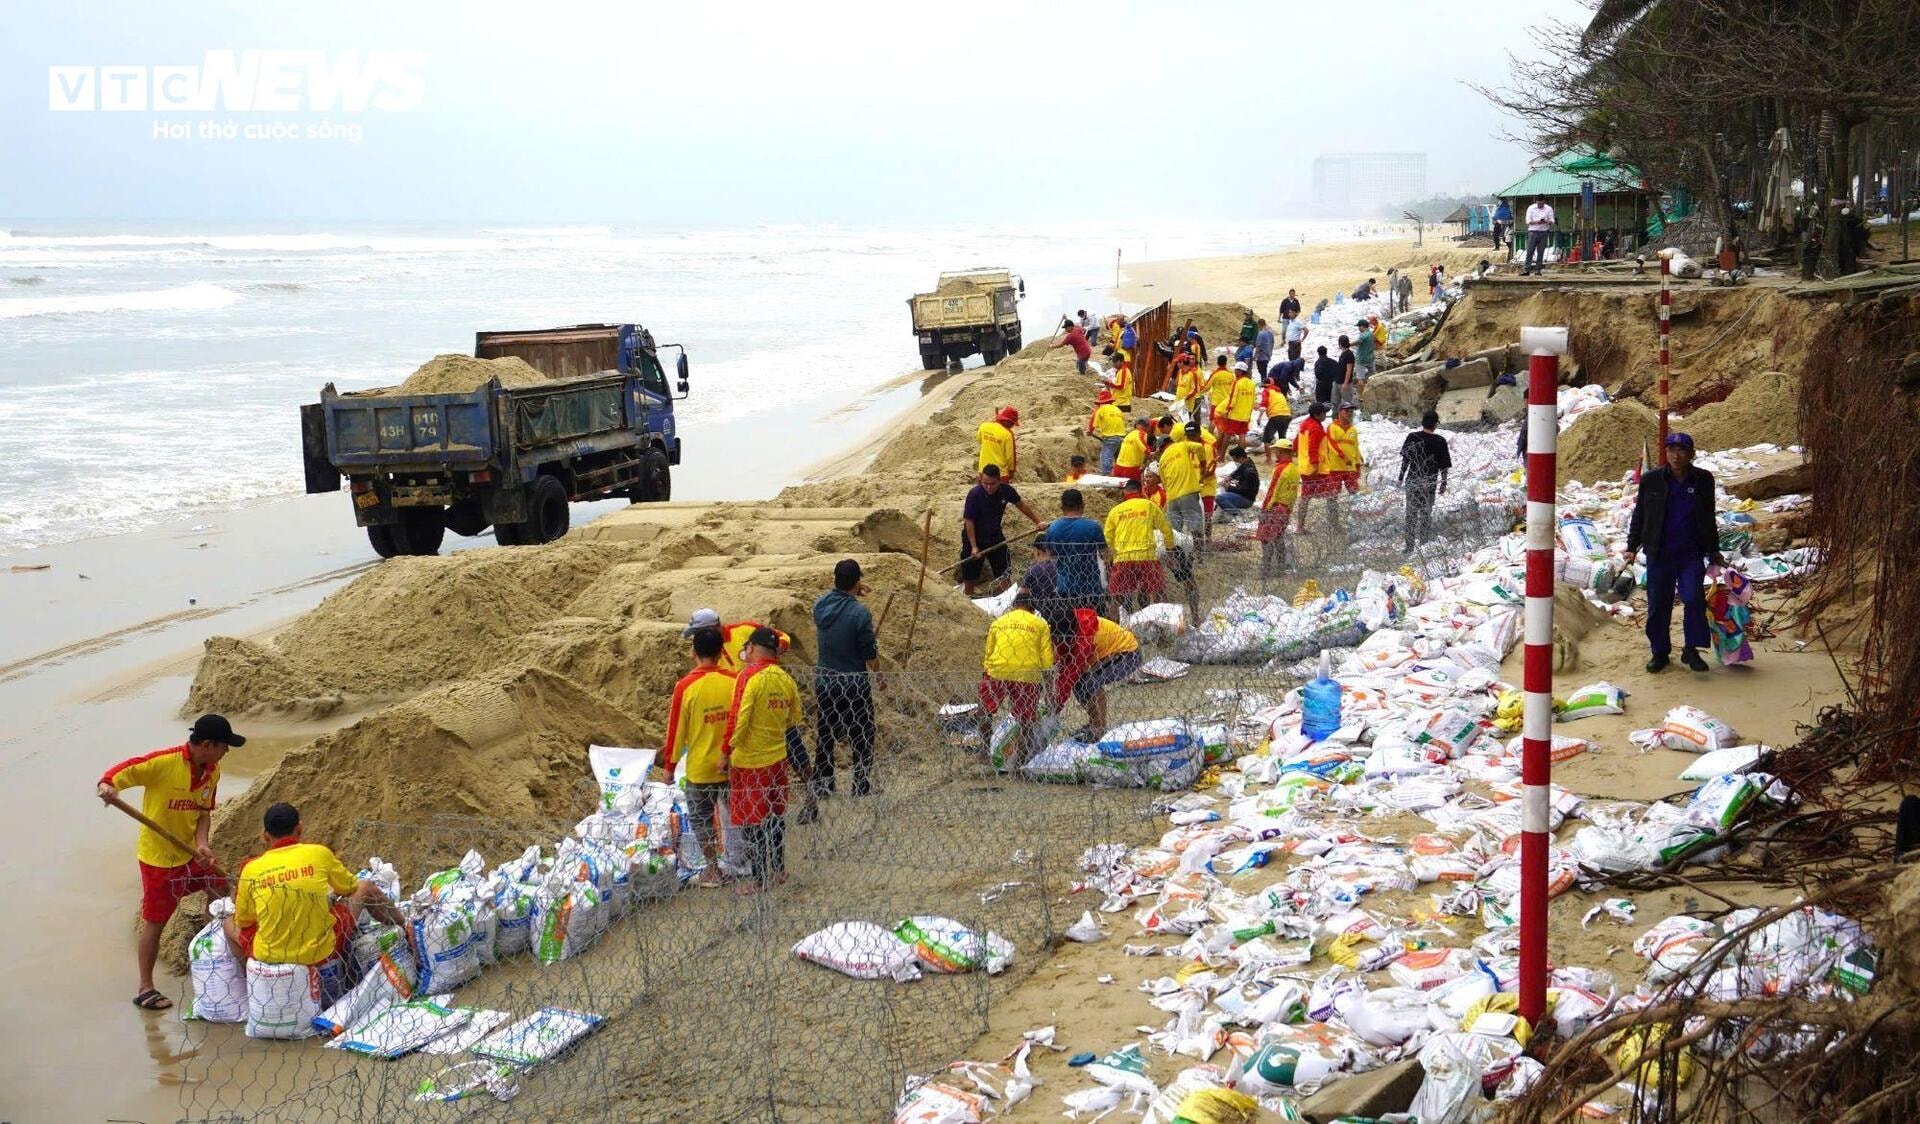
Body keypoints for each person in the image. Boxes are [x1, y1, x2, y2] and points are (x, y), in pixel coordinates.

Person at [97, 714, 240, 1011]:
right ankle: (145, 988)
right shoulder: (164, 763)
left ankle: (215, 952)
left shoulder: (212, 770)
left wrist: (202, 843)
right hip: (159, 861)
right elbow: (120, 773)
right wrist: (108, 786)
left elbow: (203, 812)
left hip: (191, 854)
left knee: (219, 891)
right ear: (207, 744)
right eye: (224, 746)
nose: (226, 751)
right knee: (155, 922)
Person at [224, 802, 401, 980]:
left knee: (227, 923)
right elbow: (349, 887)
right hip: (321, 953)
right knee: (364, 886)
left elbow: (244, 920)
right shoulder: (319, 853)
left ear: (265, 836)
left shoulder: (251, 869)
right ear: (299, 828)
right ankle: (404, 926)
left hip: (271, 958)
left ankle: (254, 980)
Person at [1625, 433, 1725, 673]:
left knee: (1693, 599)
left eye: (1681, 450)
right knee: (1659, 605)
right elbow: (1640, 514)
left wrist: (1714, 550)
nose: (1676, 455)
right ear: (1665, 453)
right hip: (1659, 553)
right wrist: (1631, 546)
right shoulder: (1652, 480)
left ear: (1691, 453)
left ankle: (1691, 650)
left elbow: (1708, 517)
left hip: (1690, 553)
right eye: (1671, 450)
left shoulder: (1702, 479)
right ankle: (1659, 652)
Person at [722, 627, 806, 893]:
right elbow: (795, 718)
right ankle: (779, 870)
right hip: (778, 758)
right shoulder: (784, 678)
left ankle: (758, 880)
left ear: (754, 648)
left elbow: (738, 717)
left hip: (750, 761)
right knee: (775, 815)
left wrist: (726, 751)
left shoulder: (748, 677)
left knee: (753, 820)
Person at [663, 626, 739, 884]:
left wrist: (669, 768)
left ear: (694, 652)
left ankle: (713, 869)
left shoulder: (685, 686)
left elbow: (676, 731)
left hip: (700, 768)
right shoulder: (734, 681)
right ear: (721, 652)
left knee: (701, 819)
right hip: (732, 764)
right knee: (735, 814)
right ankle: (740, 863)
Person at [813, 559, 880, 799]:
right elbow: (869, 652)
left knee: (826, 735)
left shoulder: (820, 606)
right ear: (857, 580)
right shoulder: (860, 613)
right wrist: (880, 674)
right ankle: (860, 785)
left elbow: (838, 606)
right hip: (854, 685)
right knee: (862, 735)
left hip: (825, 682)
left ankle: (823, 785)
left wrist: (851, 593)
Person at [977, 589, 1054, 772]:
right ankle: (1020, 764)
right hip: (1027, 674)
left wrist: (988, 673)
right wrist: (1049, 686)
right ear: (1033, 609)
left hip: (998, 670)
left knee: (985, 710)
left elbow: (988, 654)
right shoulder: (1040, 624)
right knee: (1026, 719)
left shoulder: (998, 622)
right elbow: (1047, 660)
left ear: (1013, 606)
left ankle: (983, 750)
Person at [1052, 608, 1142, 740]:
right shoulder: (1060, 628)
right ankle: (1094, 722)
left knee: (1091, 682)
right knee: (1079, 684)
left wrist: (1057, 705)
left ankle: (1099, 727)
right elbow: (1064, 665)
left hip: (1127, 654)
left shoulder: (1085, 637)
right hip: (1104, 656)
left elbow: (1071, 672)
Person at [959, 465, 1043, 595]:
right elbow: (969, 521)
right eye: (985, 483)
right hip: (974, 537)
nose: (988, 487)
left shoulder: (1006, 491)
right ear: (981, 479)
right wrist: (974, 546)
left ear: (999, 480)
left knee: (1005, 572)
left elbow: (1022, 506)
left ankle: (998, 599)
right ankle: (968, 599)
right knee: (970, 575)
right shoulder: (974, 495)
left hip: (995, 537)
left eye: (992, 484)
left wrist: (1038, 521)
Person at [1103, 481, 1176, 613]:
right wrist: (1170, 551)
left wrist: (1109, 561)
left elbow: (1107, 539)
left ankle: (1113, 631)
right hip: (1147, 557)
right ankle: (1163, 629)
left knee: (1116, 598)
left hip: (1123, 558)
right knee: (1158, 594)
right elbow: (1167, 529)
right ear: (1140, 491)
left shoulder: (1115, 511)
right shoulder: (1149, 505)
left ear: (1124, 492)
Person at [1046, 489, 1109, 615]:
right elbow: (1105, 555)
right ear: (1082, 506)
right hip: (1091, 587)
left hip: (1065, 587)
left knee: (1071, 626)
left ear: (1062, 507)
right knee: (1094, 624)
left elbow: (1050, 554)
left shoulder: (1053, 528)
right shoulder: (1093, 526)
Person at [1398, 410, 1452, 552]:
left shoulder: (1412, 437)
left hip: (1413, 481)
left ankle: (1409, 546)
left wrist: (1400, 478)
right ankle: (1423, 544)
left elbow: (1406, 461)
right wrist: (1443, 483)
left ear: (1422, 423)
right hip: (1429, 483)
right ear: (1435, 424)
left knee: (1411, 513)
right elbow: (1444, 465)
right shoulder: (1440, 441)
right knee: (1425, 513)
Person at [682, 609, 790, 675]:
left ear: (712, 627)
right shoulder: (705, 650)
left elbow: (782, 637)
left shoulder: (745, 630)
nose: (697, 636)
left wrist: (770, 652)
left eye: (698, 632)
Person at [1258, 439, 1301, 588]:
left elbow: (1272, 491)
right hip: (1286, 507)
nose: (1275, 452)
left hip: (1275, 507)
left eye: (1277, 450)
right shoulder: (1295, 469)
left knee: (1266, 538)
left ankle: (1266, 569)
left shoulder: (1280, 469)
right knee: (1278, 537)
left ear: (1283, 452)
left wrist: (1265, 509)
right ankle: (1281, 567)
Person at [1159, 422, 1208, 545]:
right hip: (1187, 494)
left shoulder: (1162, 460)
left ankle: (1179, 557)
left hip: (1172, 499)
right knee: (1195, 527)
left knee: (1176, 532)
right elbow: (1199, 447)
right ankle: (1200, 556)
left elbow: (1164, 484)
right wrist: (1203, 465)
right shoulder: (1181, 445)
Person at [1293, 402, 1336, 532]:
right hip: (1316, 469)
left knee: (1305, 498)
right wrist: (1315, 466)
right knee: (1332, 494)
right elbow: (1313, 448)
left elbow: (1296, 444)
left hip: (1305, 468)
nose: (1325, 414)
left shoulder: (1304, 425)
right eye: (1324, 413)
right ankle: (1333, 524)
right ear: (1317, 415)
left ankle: (1300, 527)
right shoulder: (1315, 428)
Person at [1327, 401, 1364, 496]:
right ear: (1339, 412)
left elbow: (1355, 447)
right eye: (1346, 411)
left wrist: (1358, 465)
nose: (1349, 413)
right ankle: (1333, 511)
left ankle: (1354, 511)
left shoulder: (1353, 430)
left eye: (1351, 411)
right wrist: (1343, 456)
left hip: (1350, 467)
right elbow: (1331, 444)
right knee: (1333, 494)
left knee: (1354, 492)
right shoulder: (1332, 427)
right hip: (1335, 467)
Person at [1086, 389, 1127, 474]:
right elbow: (1122, 421)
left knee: (1105, 455)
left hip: (1110, 437)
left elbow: (1093, 421)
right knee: (1118, 456)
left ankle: (1106, 474)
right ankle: (1118, 472)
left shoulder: (1101, 410)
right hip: (1122, 436)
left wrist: (1090, 431)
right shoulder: (1117, 409)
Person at [977, 406, 1019, 480]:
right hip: (1000, 474)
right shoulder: (1007, 434)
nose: (1012, 426)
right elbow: (1010, 456)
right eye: (1012, 423)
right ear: (1007, 421)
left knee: (983, 491)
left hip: (983, 471)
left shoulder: (983, 426)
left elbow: (979, 441)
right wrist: (1011, 470)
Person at [1259, 374, 1293, 463]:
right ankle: (1286, 459)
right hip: (1287, 415)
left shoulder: (1266, 391)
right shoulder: (1278, 392)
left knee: (1267, 438)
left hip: (1276, 416)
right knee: (1282, 439)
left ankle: (1268, 460)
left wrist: (1259, 417)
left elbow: (1264, 404)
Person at [1218, 363, 1256, 442]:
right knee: (1242, 435)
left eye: (1236, 370)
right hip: (1245, 415)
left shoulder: (1237, 382)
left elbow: (1233, 398)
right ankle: (1242, 453)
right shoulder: (1252, 383)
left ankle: (1221, 454)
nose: (1235, 372)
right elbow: (1253, 400)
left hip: (1235, 414)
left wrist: (1227, 411)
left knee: (1227, 434)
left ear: (1240, 371)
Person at [1217, 445, 1260, 511]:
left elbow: (1244, 490)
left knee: (1220, 498)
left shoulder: (1249, 472)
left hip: (1246, 499)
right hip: (1243, 495)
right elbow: (1238, 471)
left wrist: (1229, 488)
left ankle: (1236, 515)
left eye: (1235, 460)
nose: (1235, 462)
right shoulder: (1246, 464)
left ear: (1241, 458)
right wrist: (1230, 477)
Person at [1113, 416, 1152, 483]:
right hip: (1131, 468)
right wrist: (1151, 453)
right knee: (1134, 490)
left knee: (1122, 490)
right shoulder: (1141, 433)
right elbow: (1145, 449)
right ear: (1147, 426)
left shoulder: (1129, 435)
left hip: (1118, 466)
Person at [1524, 194, 1556, 275]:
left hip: (1544, 232)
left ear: (1544, 202)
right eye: (1538, 203)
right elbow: (1527, 221)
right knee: (1530, 251)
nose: (1540, 205)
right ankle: (1527, 270)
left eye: (1541, 204)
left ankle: (1538, 270)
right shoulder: (1531, 208)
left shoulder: (1548, 208)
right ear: (1536, 201)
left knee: (1541, 252)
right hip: (1533, 231)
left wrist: (1546, 221)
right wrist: (1537, 222)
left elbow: (1552, 220)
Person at [1204, 354, 1235, 426]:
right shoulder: (1231, 375)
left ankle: (1211, 435)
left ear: (1217, 363)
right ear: (1226, 363)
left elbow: (1206, 388)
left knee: (1213, 420)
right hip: (1226, 402)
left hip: (1216, 401)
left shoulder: (1215, 374)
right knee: (1225, 422)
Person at [1352, 320, 1376, 407]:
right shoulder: (1371, 334)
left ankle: (1361, 396)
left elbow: (1358, 341)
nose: (1358, 328)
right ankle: (1372, 392)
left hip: (1361, 360)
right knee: (1372, 376)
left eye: (1359, 326)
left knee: (1360, 378)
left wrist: (1348, 344)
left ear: (1363, 326)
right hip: (1371, 358)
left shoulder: (1364, 335)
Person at [1336, 335, 1357, 408]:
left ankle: (1349, 417)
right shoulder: (1343, 353)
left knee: (1347, 404)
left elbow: (1349, 370)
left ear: (1340, 343)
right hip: (1339, 381)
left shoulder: (1349, 354)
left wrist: (1345, 383)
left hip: (1345, 382)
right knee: (1341, 403)